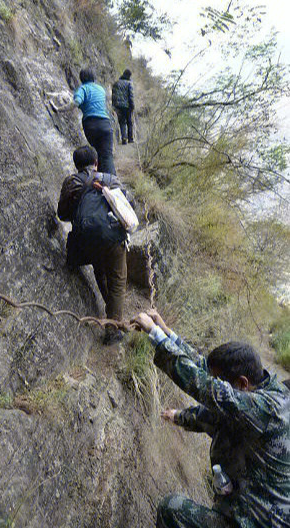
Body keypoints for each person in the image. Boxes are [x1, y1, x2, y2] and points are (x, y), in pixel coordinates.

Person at [132, 309, 290, 528]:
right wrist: (165, 331)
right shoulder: (258, 389)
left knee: (172, 509)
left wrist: (154, 335)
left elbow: (205, 385)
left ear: (242, 383)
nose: (217, 382)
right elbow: (206, 371)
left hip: (258, 522)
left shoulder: (266, 410)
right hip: (244, 505)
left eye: (223, 383)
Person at [57, 145, 127, 345]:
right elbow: (126, 205)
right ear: (96, 162)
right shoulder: (109, 179)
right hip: (112, 237)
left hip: (86, 239)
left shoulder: (71, 183)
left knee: (101, 273)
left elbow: (62, 214)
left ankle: (111, 314)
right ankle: (113, 329)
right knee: (118, 281)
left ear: (76, 165)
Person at [50, 67, 116, 175]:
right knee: (107, 155)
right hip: (105, 124)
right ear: (93, 77)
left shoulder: (82, 89)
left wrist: (59, 109)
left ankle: (98, 183)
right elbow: (105, 100)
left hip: (91, 125)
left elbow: (76, 103)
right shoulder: (100, 89)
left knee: (96, 154)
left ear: (81, 78)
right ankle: (113, 184)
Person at [112, 69, 134, 145]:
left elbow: (113, 95)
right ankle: (130, 139)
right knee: (129, 122)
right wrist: (132, 105)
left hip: (118, 106)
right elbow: (131, 95)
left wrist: (114, 105)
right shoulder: (129, 83)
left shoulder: (116, 83)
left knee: (122, 122)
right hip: (127, 106)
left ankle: (124, 138)